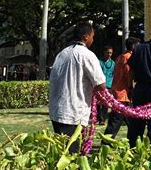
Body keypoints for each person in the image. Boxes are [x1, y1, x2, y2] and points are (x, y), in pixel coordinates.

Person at [49, 23, 106, 153]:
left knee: (61, 152)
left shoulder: (62, 53)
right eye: (92, 36)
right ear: (85, 37)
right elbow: (101, 84)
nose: (93, 39)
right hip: (73, 113)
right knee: (71, 155)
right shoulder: (86, 54)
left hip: (57, 111)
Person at [104, 37, 140, 138]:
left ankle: (134, 141)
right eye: (138, 45)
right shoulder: (129, 57)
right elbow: (128, 74)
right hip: (124, 94)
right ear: (133, 46)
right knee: (116, 120)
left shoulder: (120, 57)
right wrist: (131, 88)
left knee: (129, 120)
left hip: (116, 91)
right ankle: (107, 142)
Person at [98, 45, 115, 125]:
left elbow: (114, 74)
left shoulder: (113, 63)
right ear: (104, 52)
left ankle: (102, 119)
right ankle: (98, 117)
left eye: (110, 53)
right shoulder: (99, 62)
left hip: (109, 85)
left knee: (105, 103)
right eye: (108, 52)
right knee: (98, 103)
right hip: (99, 84)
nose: (109, 54)